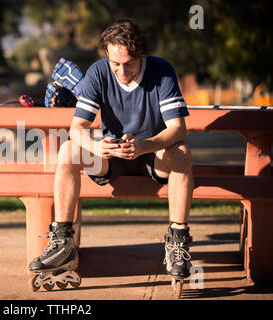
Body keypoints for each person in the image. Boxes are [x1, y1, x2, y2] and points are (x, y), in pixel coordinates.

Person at [28, 19, 194, 289]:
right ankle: (62, 242)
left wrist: (143, 145)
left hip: (153, 155)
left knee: (183, 153)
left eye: (128, 63)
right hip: (111, 155)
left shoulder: (162, 70)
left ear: (141, 55)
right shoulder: (98, 71)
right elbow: (77, 127)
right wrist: (97, 146)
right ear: (107, 55)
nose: (121, 70)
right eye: (115, 63)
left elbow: (178, 130)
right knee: (69, 149)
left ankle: (177, 244)